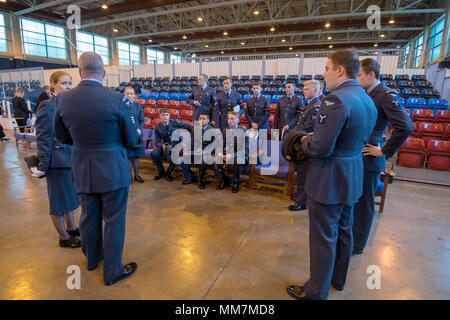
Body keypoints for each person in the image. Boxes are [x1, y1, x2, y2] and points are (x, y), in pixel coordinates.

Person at [286, 49, 377, 300]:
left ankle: (316, 291)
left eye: (327, 68)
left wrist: (303, 139)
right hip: (352, 174)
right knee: (344, 230)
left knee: (323, 237)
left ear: (339, 70)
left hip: (329, 179)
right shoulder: (367, 98)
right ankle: (338, 279)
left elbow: (320, 148)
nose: (323, 73)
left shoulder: (335, 99)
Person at [54, 52, 139, 286]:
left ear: (79, 72)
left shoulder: (63, 100)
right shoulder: (117, 99)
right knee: (114, 220)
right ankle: (112, 271)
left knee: (88, 216)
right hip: (113, 169)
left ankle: (92, 260)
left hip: (82, 167)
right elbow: (131, 138)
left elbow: (61, 136)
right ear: (103, 73)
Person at [352, 58, 413, 255]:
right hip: (358, 155)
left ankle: (358, 244)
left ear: (371, 74)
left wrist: (384, 151)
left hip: (370, 157)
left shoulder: (386, 94)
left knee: (364, 204)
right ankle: (353, 237)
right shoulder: (367, 93)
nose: (357, 78)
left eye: (360, 74)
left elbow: (405, 127)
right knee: (355, 201)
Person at [33, 71, 81, 248]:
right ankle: (64, 238)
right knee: (59, 202)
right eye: (63, 83)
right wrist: (43, 164)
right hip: (56, 162)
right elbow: (43, 137)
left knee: (70, 198)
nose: (68, 87)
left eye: (70, 83)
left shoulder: (70, 104)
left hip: (70, 159)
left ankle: (72, 227)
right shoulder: (47, 106)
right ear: (53, 84)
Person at [288, 80, 322, 211]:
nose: (304, 90)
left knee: (303, 175)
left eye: (307, 89)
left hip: (306, 145)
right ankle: (300, 197)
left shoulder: (315, 107)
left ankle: (301, 202)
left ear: (315, 90)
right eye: (304, 88)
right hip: (301, 143)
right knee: (301, 174)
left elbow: (307, 128)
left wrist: (294, 136)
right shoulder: (309, 105)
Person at [151, 108, 196, 184]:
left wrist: (190, 139)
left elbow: (190, 127)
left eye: (166, 115)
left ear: (169, 116)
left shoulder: (175, 122)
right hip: (165, 146)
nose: (165, 117)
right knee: (154, 153)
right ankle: (162, 172)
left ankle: (171, 173)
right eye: (163, 115)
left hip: (177, 145)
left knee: (178, 154)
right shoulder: (157, 127)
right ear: (159, 116)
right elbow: (157, 141)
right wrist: (161, 145)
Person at [214, 111, 249, 193]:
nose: (230, 121)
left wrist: (232, 155)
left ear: (238, 120)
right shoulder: (224, 130)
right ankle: (224, 180)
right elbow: (220, 145)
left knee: (238, 161)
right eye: (228, 119)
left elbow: (245, 150)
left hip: (240, 155)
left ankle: (235, 182)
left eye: (232, 119)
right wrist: (220, 153)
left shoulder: (244, 131)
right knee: (216, 160)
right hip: (227, 154)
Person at [124, 86, 145, 183]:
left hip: (137, 135)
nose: (129, 95)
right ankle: (129, 177)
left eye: (131, 93)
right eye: (127, 93)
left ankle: (137, 175)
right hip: (126, 135)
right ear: (124, 94)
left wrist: (140, 129)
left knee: (136, 156)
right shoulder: (121, 106)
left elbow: (142, 120)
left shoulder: (138, 106)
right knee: (128, 156)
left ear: (134, 95)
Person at [196, 113, 215, 189]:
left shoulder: (212, 130)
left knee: (203, 159)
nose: (202, 120)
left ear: (208, 120)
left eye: (204, 119)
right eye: (200, 119)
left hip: (206, 152)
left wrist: (206, 150)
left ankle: (200, 179)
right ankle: (189, 177)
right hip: (196, 150)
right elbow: (192, 141)